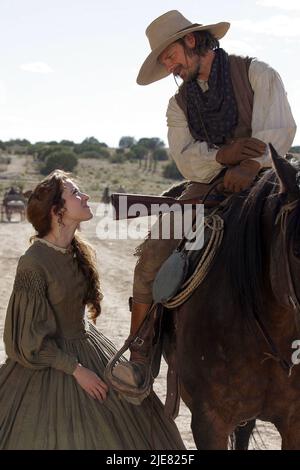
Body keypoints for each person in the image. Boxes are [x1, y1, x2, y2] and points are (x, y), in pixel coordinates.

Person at [112, 10, 296, 397]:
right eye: (164, 60)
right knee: (153, 256)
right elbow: (184, 157)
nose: (170, 65)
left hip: (268, 179)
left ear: (191, 41)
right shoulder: (179, 104)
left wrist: (250, 166)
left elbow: (278, 131)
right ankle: (141, 353)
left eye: (170, 55)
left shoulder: (257, 74)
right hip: (206, 187)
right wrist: (223, 156)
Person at [0, 170, 185, 450]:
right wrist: (76, 370)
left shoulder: (77, 250)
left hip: (89, 345)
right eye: (75, 193)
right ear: (56, 210)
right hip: (51, 366)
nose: (85, 196)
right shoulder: (33, 263)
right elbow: (26, 342)